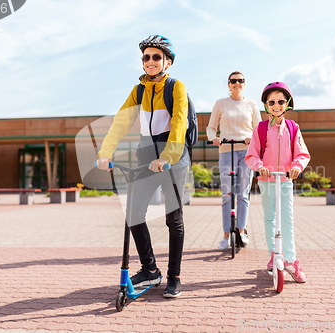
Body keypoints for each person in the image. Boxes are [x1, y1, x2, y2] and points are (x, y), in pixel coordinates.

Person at [96, 34, 189, 298]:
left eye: (156, 57)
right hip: (146, 155)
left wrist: (168, 157)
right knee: (134, 214)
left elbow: (179, 124)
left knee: (174, 218)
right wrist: (106, 152)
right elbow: (120, 123)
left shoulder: (176, 88)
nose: (150, 61)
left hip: (173, 157)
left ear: (167, 62)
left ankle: (174, 276)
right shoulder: (138, 90)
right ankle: (150, 270)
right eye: (146, 57)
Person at [245, 82, 310, 283]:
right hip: (267, 179)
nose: (276, 105)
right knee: (270, 218)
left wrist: (297, 167)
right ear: (266, 104)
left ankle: (290, 259)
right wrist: (259, 166)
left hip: (285, 179)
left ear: (287, 103)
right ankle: (274, 254)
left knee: (287, 218)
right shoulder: (261, 128)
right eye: (272, 102)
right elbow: (252, 154)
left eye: (280, 101)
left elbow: (302, 153)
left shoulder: (293, 127)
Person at [206, 71, 261, 250]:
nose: (237, 83)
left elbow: (258, 130)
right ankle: (225, 235)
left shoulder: (251, 104)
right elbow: (211, 127)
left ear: (244, 84)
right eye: (233, 81)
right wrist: (214, 137)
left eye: (240, 80)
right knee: (227, 194)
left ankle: (242, 232)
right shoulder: (220, 104)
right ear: (228, 84)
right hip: (226, 150)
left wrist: (251, 139)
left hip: (246, 152)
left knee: (243, 194)